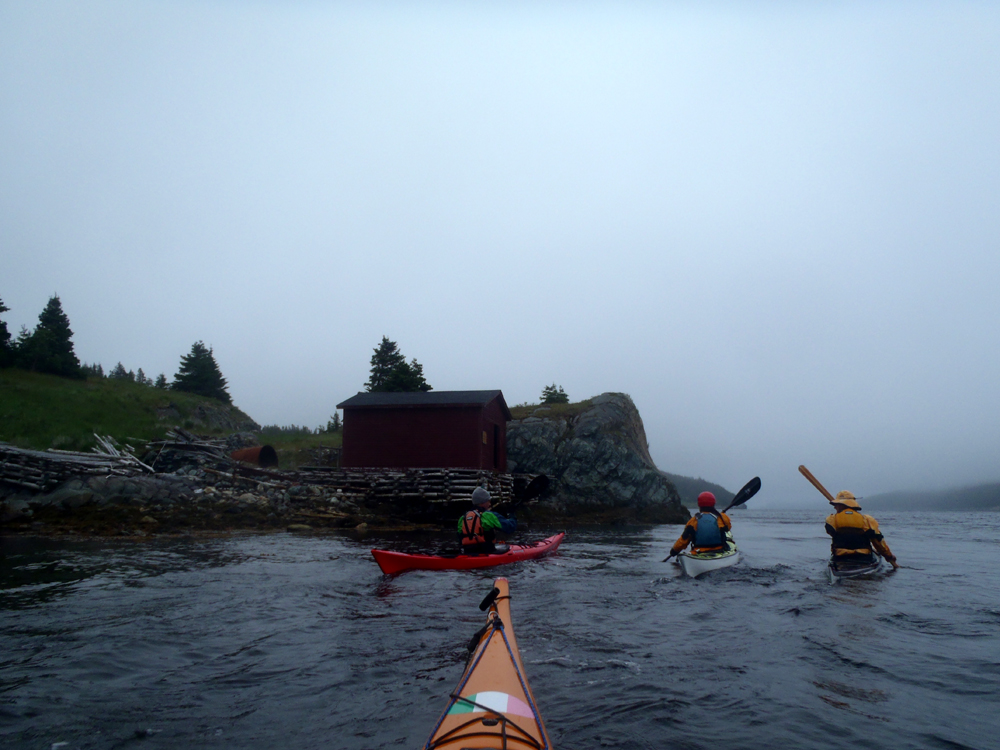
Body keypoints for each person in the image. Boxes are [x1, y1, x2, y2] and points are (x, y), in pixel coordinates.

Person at [825, 491, 898, 569]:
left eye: (836, 505)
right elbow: (878, 542)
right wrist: (889, 556)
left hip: (840, 558)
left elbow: (832, 532)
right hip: (864, 558)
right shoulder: (867, 520)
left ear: (841, 505)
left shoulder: (831, 519)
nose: (835, 507)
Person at [665, 491, 732, 559]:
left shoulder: (693, 521)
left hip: (699, 552)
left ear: (699, 505)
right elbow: (728, 528)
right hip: (719, 550)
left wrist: (674, 551)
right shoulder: (722, 518)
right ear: (713, 503)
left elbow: (683, 540)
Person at [457, 487, 517, 555]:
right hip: (487, 551)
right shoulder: (488, 515)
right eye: (488, 501)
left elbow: (460, 538)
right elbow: (510, 527)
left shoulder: (463, 518)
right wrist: (512, 514)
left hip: (467, 552)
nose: (490, 504)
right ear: (483, 502)